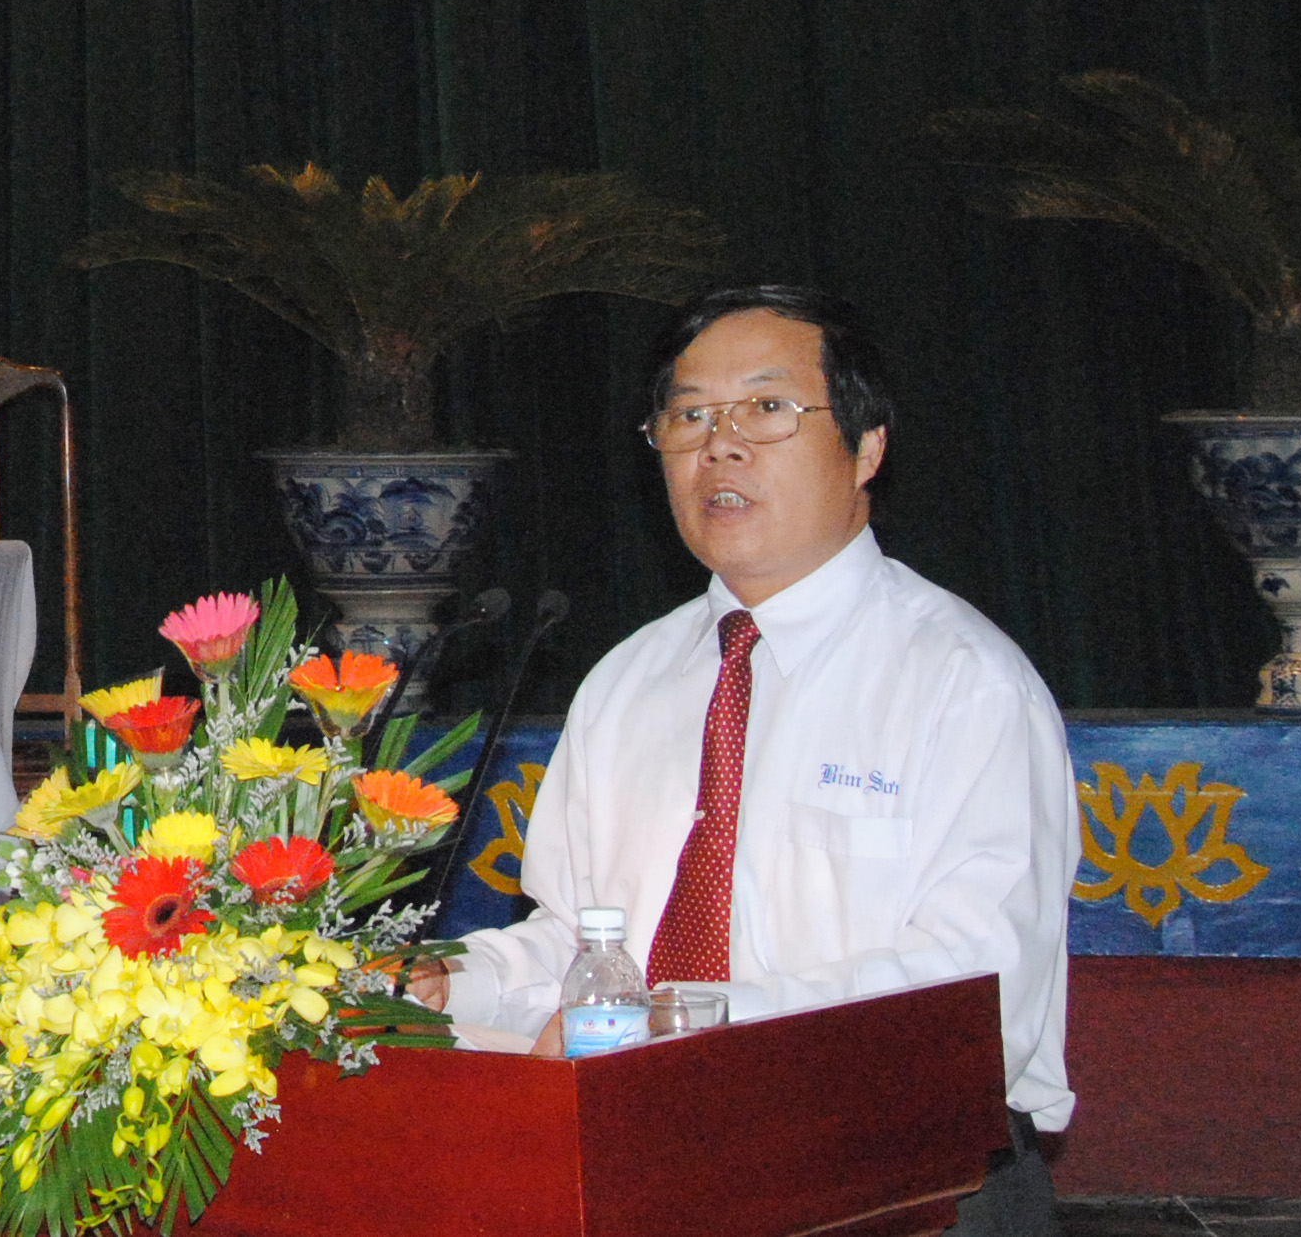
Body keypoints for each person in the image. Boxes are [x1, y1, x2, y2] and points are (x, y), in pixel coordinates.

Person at [417, 285, 1074, 1235]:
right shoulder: (629, 679)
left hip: (907, 1180)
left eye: (767, 408)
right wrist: (449, 982)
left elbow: (978, 996)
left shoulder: (961, 682)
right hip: (653, 1174)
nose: (719, 446)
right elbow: (586, 947)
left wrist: (690, 1023)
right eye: (689, 416)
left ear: (867, 448)